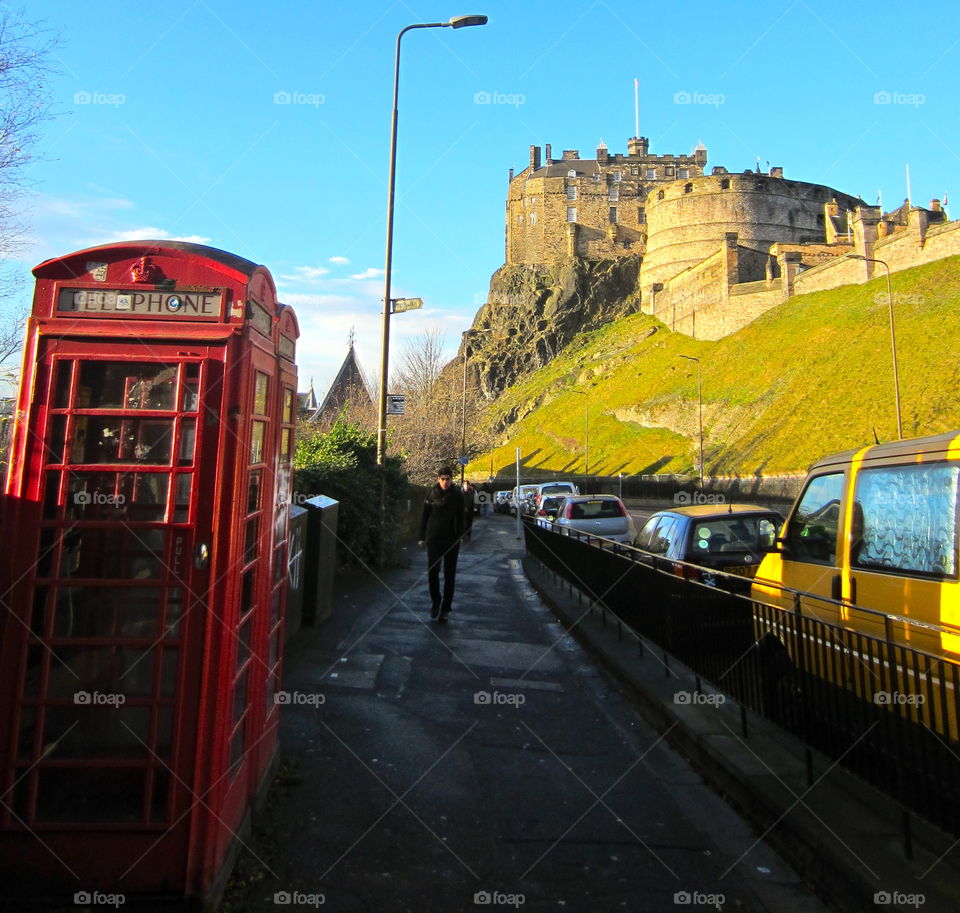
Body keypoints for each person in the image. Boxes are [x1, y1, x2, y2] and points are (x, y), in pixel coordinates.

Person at [418, 468, 465, 622]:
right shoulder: (431, 494)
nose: (446, 482)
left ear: (452, 479)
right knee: (433, 572)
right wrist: (421, 537)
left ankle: (446, 608)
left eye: (448, 479)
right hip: (434, 539)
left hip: (451, 539)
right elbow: (425, 516)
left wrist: (460, 535)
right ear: (438, 479)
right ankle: (436, 601)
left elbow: (462, 517)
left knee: (449, 575)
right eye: (443, 479)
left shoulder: (457, 495)